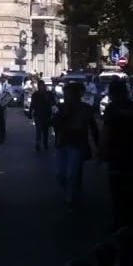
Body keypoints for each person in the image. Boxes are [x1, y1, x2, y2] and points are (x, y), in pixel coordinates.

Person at [100, 80, 133, 229]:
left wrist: (101, 151)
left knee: (117, 188)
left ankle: (120, 220)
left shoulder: (112, 109)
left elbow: (106, 131)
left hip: (116, 153)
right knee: (132, 185)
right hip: (131, 152)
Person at [55, 82, 99, 211]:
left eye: (68, 94)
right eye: (65, 94)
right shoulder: (62, 108)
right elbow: (54, 124)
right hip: (62, 143)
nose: (67, 97)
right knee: (60, 174)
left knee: (71, 173)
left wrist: (98, 145)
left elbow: (93, 127)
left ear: (75, 95)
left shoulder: (86, 109)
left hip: (77, 144)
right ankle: (70, 190)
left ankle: (70, 195)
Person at [29, 78, 55, 151]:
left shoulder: (49, 94)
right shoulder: (35, 94)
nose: (41, 87)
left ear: (44, 86)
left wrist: (54, 111)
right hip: (38, 114)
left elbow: (53, 103)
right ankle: (38, 143)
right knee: (39, 130)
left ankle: (45, 143)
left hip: (47, 114)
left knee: (46, 130)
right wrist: (30, 113)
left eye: (42, 85)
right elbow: (32, 104)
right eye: (39, 85)